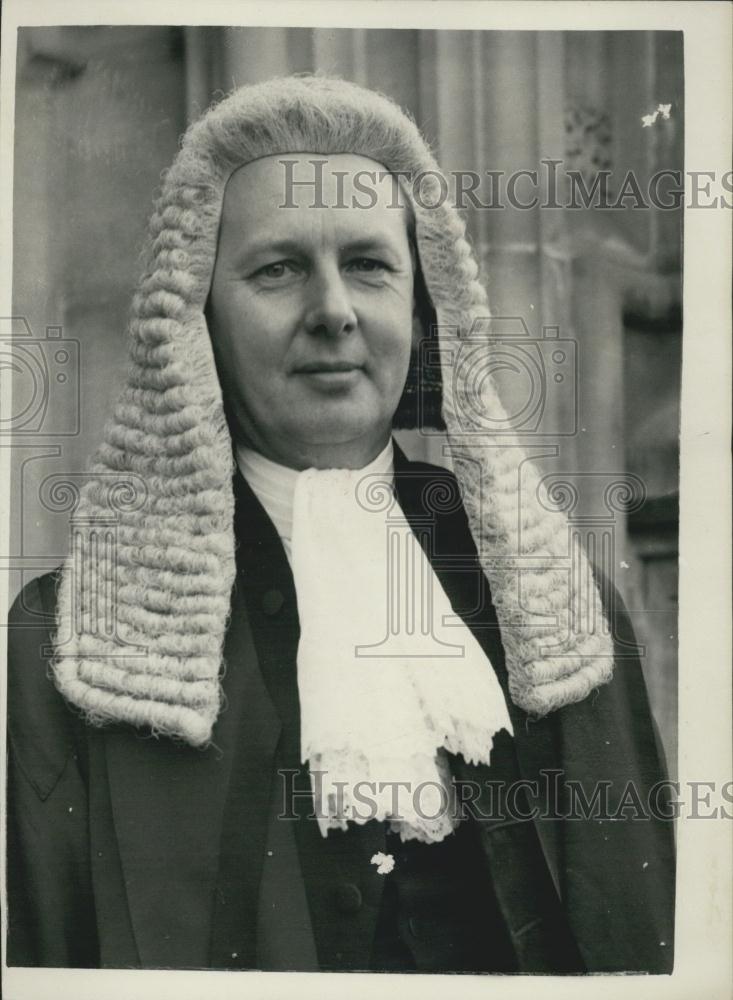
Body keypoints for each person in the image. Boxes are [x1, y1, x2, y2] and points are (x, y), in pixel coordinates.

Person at [5, 75, 675, 973]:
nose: (332, 311)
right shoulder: (68, 643)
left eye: (368, 264)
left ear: (421, 306)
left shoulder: (562, 605)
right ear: (195, 317)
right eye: (276, 269)